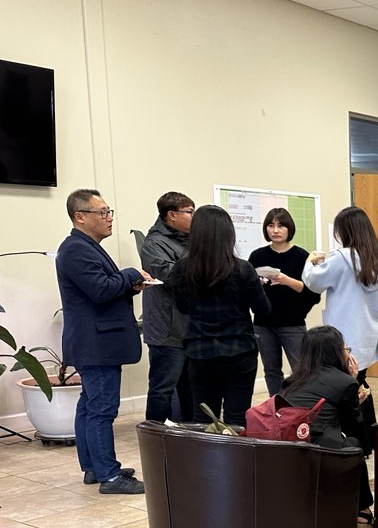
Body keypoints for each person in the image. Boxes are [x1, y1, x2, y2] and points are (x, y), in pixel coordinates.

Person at [54, 189, 150, 494]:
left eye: (109, 212)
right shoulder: (75, 249)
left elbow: (103, 288)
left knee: (90, 406)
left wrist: (130, 286)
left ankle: (94, 468)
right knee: (102, 409)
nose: (109, 218)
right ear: (80, 217)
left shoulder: (86, 246)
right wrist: (130, 274)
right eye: (102, 212)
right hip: (96, 343)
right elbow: (100, 290)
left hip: (96, 341)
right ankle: (110, 477)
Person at [166, 205, 270, 429]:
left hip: (199, 352)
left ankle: (205, 453)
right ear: (228, 234)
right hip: (239, 351)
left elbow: (183, 307)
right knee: (237, 419)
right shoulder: (242, 269)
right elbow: (263, 309)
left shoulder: (182, 269)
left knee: (203, 418)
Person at [303, 206, 378, 419]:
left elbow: (314, 281)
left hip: (342, 338)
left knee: (342, 389)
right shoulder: (377, 260)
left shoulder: (342, 258)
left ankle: (351, 434)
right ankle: (367, 433)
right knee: (359, 384)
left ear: (344, 231)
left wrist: (309, 262)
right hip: (367, 337)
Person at [282, 325, 374, 520]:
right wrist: (352, 381)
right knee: (355, 445)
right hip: (318, 451)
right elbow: (353, 425)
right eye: (345, 348)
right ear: (336, 353)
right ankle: (362, 508)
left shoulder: (291, 381)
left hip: (286, 447)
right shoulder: (344, 381)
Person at [249, 207, 320, 396]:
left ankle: (301, 404)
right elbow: (246, 289)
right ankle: (276, 404)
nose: (275, 230)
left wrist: (285, 280)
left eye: (281, 226)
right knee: (271, 370)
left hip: (293, 322)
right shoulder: (257, 256)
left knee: (301, 368)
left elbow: (312, 292)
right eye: (271, 225)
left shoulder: (302, 256)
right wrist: (257, 283)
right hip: (263, 323)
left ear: (289, 228)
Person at [139, 191, 194, 423]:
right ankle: (155, 435)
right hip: (167, 330)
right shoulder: (154, 244)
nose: (194, 217)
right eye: (189, 212)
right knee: (162, 389)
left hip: (190, 329)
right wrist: (202, 266)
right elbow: (169, 276)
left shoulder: (189, 240)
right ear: (172, 215)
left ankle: (188, 434)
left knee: (190, 389)